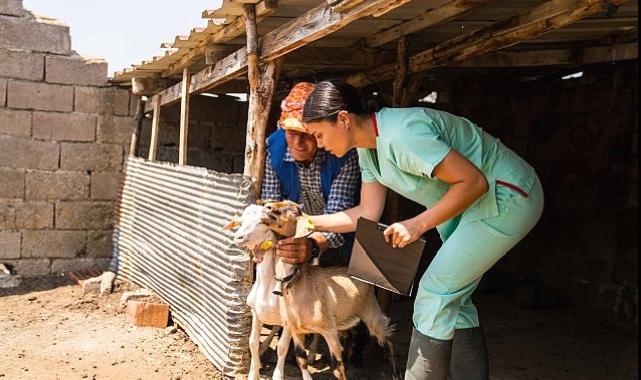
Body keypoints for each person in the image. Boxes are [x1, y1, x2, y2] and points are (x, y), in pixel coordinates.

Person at [296, 80, 544, 380]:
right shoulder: (367, 149)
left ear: (344, 119)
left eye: (319, 134)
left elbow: (473, 181)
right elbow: (366, 213)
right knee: (453, 301)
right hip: (471, 207)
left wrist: (417, 224)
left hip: (507, 194)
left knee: (433, 294)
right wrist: (306, 222)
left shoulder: (403, 134)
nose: (319, 144)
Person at [261, 82, 361, 267]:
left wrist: (312, 246)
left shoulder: (344, 154)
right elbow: (271, 210)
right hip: (291, 240)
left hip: (340, 239)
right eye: (291, 133)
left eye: (306, 134)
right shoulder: (273, 150)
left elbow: (338, 216)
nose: (298, 143)